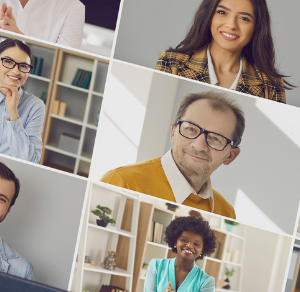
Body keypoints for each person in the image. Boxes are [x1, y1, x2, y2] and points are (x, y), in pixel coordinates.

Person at [100, 91, 243, 217]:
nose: (199, 146)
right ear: (173, 133)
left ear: (231, 156)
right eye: (191, 129)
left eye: (215, 138)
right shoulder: (122, 182)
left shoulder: (226, 212)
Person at [153, 0, 289, 102]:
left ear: (256, 30)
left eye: (244, 18)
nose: (231, 25)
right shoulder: (172, 63)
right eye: (222, 12)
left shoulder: (271, 84)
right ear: (209, 17)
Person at [139, 213, 218, 292]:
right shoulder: (156, 265)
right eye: (184, 240)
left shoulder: (206, 281)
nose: (190, 246)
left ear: (202, 250)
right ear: (175, 242)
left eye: (196, 244)